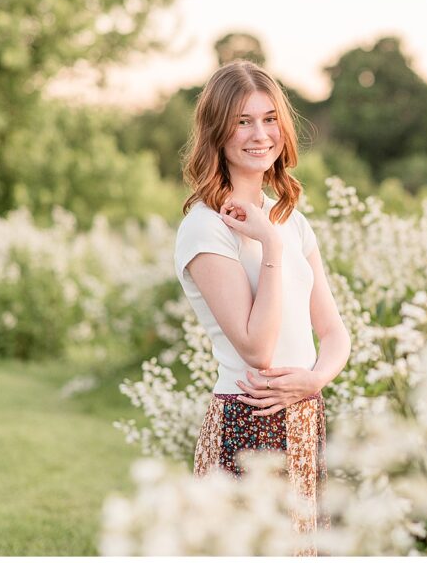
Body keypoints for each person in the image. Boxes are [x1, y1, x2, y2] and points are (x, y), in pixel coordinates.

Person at [173, 60, 351, 552]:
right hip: (246, 418)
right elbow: (256, 347)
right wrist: (269, 248)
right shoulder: (205, 228)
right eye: (243, 120)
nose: (260, 134)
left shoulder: (293, 222)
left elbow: (335, 334)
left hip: (304, 414)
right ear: (218, 132)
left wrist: (315, 380)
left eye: (270, 118)